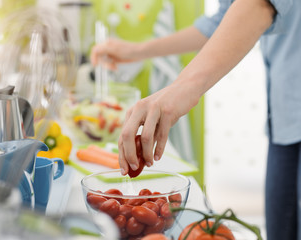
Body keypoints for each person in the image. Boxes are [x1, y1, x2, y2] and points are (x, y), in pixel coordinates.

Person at [91, 0, 300, 239]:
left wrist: (183, 88)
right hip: (285, 115)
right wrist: (138, 51)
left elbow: (261, 4)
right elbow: (224, 21)